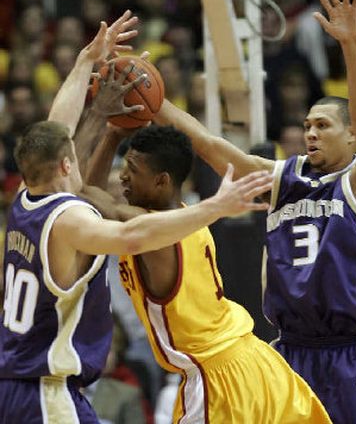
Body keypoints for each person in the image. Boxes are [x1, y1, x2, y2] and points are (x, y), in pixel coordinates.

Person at [0, 10, 273, 423]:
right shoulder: (71, 219)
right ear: (65, 165)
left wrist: (84, 63)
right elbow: (130, 235)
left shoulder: (25, 198)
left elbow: (60, 129)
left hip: (23, 383)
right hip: (46, 391)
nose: (121, 179)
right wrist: (216, 206)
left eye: (131, 173)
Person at [152, 0, 356, 424]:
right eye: (307, 125)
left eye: (323, 125)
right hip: (286, 351)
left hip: (349, 356)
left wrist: (350, 43)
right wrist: (157, 104)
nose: (310, 133)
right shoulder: (282, 179)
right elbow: (212, 147)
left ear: (351, 136)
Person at [85, 121, 331, 423]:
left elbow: (85, 198)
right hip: (256, 363)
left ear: (161, 181)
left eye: (132, 170)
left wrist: (111, 133)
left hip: (215, 380)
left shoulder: (151, 233)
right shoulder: (189, 215)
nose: (122, 175)